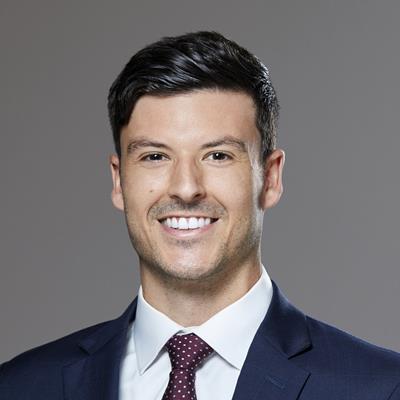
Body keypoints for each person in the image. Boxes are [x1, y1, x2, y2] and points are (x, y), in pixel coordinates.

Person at [1, 30, 399, 400]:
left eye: (218, 156)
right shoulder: (22, 386)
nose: (186, 187)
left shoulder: (380, 387)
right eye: (155, 156)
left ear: (270, 178)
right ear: (120, 180)